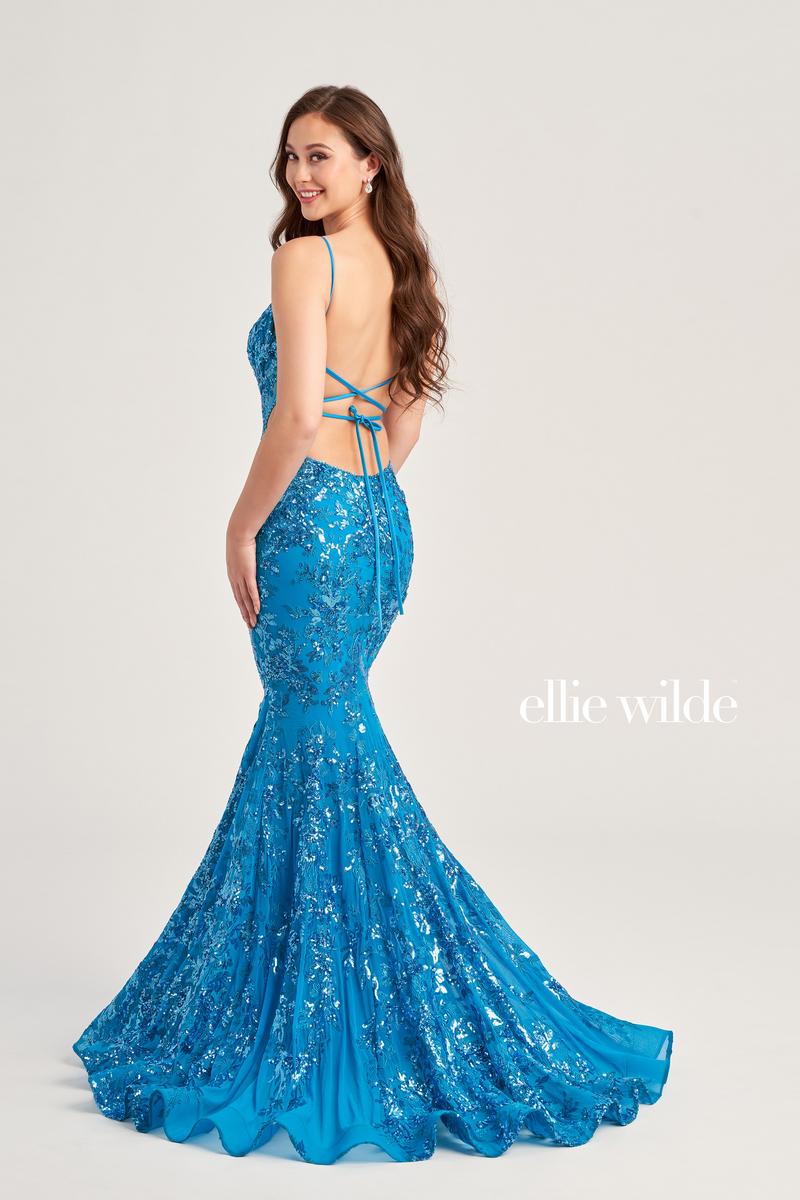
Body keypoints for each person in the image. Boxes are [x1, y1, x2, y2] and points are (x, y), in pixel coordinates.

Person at [73, 85, 673, 1166]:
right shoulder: (400, 268)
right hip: (375, 523)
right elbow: (397, 425)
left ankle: (323, 1012)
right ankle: (331, 987)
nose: (299, 176)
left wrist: (241, 526)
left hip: (308, 523)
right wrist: (356, 509)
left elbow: (298, 413)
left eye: (320, 156)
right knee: (315, 751)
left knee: (315, 750)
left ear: (370, 165)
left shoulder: (303, 261)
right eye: (289, 158)